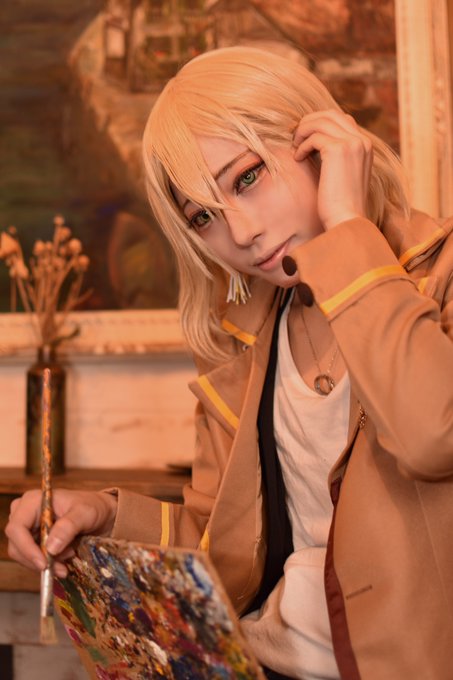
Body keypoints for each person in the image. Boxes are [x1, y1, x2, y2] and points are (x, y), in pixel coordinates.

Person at [6, 46, 453, 680]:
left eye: (246, 178)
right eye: (203, 218)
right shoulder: (242, 342)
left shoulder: (442, 276)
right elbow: (229, 547)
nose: (240, 234)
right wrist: (104, 516)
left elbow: (434, 435)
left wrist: (348, 228)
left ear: (322, 142)